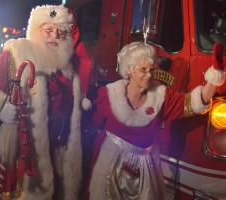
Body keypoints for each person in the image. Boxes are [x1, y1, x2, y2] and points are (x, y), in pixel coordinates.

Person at [0, 4, 91, 200]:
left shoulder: (70, 69)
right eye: (48, 30)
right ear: (36, 31)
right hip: (21, 160)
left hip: (58, 157)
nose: (54, 36)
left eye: (60, 32)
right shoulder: (16, 54)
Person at [84, 42, 225, 200]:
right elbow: (94, 121)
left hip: (145, 170)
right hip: (109, 166)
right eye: (143, 70)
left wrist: (215, 75)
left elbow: (194, 102)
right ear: (129, 71)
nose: (149, 75)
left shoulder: (161, 96)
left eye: (151, 70)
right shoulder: (108, 94)